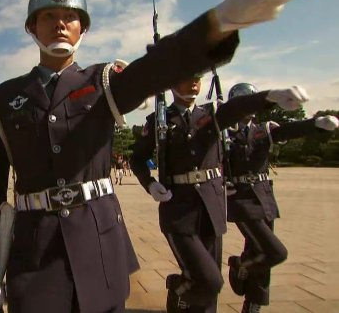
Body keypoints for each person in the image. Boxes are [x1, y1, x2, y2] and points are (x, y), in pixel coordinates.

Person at [0, 0, 324, 313]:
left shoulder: (101, 81)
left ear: (83, 28)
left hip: (98, 241)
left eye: (70, 17)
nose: (60, 24)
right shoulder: (4, 97)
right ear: (32, 27)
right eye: (48, 16)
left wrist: (222, 21)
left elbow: (154, 69)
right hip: (33, 252)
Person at [129, 73, 309, 313]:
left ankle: (186, 297)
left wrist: (270, 98)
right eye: (187, 76)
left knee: (211, 286)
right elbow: (138, 159)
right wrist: (149, 183)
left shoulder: (211, 116)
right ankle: (177, 288)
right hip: (178, 208)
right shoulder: (158, 121)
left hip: (211, 205)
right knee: (209, 280)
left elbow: (235, 109)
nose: (193, 82)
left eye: (198, 77)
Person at [225, 83, 339, 313]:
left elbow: (288, 130)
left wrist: (315, 124)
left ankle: (253, 303)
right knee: (273, 251)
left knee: (259, 251)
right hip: (240, 199)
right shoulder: (224, 133)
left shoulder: (262, 129)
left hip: (264, 196)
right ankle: (240, 265)